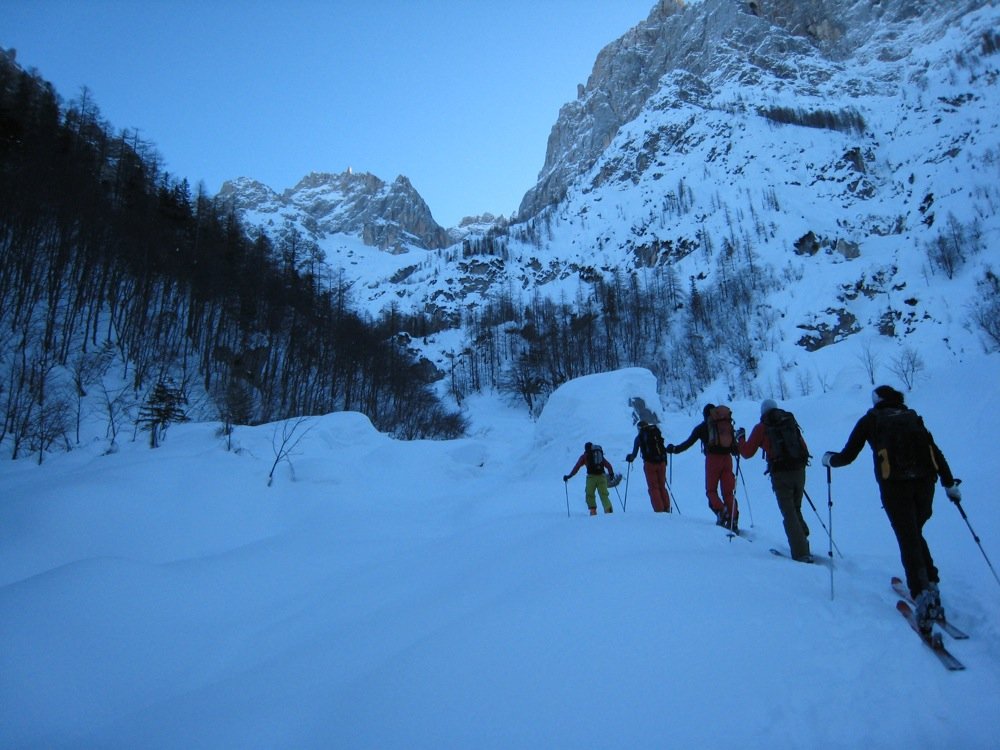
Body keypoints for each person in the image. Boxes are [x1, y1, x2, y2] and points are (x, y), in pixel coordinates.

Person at [822, 385, 961, 633]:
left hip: (895, 486)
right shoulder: (911, 417)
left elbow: (848, 455)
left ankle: (922, 595)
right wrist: (949, 484)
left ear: (876, 400)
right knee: (915, 532)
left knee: (908, 537)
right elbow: (935, 452)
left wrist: (829, 460)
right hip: (925, 483)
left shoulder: (871, 420)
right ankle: (931, 584)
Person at [738, 399, 812, 562]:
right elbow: (803, 447)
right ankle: (803, 539)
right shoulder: (789, 422)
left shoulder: (762, 428)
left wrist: (741, 439)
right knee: (796, 507)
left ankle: (801, 553)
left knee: (789, 512)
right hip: (799, 470)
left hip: (780, 474)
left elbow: (747, 453)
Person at [667, 404, 739, 531]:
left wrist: (674, 449)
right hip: (727, 459)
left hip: (713, 460)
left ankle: (723, 512)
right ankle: (733, 519)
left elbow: (688, 443)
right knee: (728, 492)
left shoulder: (702, 428)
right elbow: (733, 445)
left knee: (711, 491)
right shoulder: (725, 424)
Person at [626, 421, 671, 512]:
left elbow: (634, 454)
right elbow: (662, 447)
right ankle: (666, 507)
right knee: (662, 486)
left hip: (650, 464)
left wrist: (629, 458)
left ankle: (659, 510)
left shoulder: (639, 437)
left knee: (653, 488)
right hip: (661, 463)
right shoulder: (655, 433)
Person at [564, 442, 616, 516]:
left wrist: (569, 476)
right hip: (602, 477)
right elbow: (608, 465)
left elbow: (577, 467)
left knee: (590, 494)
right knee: (604, 495)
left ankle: (593, 512)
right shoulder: (599, 455)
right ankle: (609, 510)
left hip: (591, 478)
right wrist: (611, 474)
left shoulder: (585, 456)